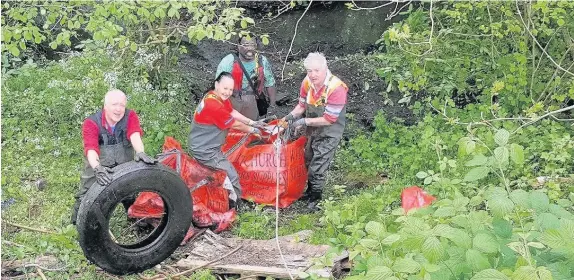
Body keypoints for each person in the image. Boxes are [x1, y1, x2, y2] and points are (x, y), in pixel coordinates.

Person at [71, 89, 157, 225]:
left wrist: (140, 152)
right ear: (105, 106)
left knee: (130, 191)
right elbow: (91, 148)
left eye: (122, 105)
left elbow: (134, 134)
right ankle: (76, 225)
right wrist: (97, 168)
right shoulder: (91, 122)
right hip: (98, 164)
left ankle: (135, 220)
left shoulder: (130, 116)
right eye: (114, 104)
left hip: (124, 162)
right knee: (86, 195)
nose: (118, 109)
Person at [282, 52, 348, 212]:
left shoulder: (336, 88)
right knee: (307, 160)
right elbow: (302, 106)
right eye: (309, 71)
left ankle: (316, 200)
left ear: (325, 69)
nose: (313, 75)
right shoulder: (306, 83)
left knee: (317, 167)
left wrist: (303, 121)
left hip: (329, 132)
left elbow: (328, 120)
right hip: (313, 131)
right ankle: (310, 192)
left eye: (316, 70)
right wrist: (289, 118)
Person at [189, 72, 264, 209]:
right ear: (217, 84)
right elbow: (234, 124)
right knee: (231, 175)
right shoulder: (213, 104)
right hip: (205, 150)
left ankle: (221, 198)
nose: (228, 92)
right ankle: (236, 207)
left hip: (205, 145)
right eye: (225, 88)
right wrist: (253, 130)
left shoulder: (216, 97)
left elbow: (232, 112)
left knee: (218, 173)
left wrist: (253, 122)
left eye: (230, 89)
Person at [215, 35, 278, 120]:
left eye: (252, 45)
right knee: (231, 128)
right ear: (238, 45)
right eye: (246, 45)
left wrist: (272, 106)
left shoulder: (261, 61)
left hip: (253, 102)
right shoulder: (228, 62)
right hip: (232, 101)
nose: (250, 48)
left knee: (252, 129)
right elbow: (218, 87)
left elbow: (270, 83)